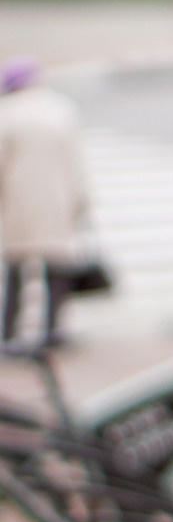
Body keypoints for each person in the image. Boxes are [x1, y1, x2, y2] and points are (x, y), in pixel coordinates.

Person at [0, 57, 92, 349]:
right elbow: (77, 163)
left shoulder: (8, 114)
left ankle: (10, 331)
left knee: (16, 268)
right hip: (57, 197)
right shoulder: (61, 110)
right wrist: (80, 201)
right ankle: (52, 329)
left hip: (18, 198)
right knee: (56, 266)